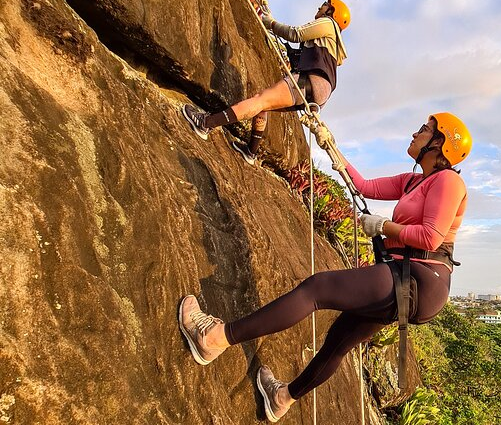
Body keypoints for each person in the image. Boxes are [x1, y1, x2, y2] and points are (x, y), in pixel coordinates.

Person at [178, 112, 472, 422]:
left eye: (424, 130)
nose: (415, 133)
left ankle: (214, 337)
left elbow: (430, 236)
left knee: (317, 290)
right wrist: (329, 144)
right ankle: (282, 398)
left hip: (420, 281)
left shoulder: (449, 181)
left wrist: (384, 226)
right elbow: (364, 186)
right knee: (339, 341)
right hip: (407, 280)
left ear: (440, 144)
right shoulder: (414, 181)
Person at [181, 0, 350, 165]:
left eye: (325, 5)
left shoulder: (328, 24)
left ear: (331, 12)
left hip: (310, 82)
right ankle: (251, 152)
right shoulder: (332, 44)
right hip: (319, 92)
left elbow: (296, 34)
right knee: (265, 106)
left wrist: (270, 23)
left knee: (260, 100)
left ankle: (205, 124)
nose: (320, 7)